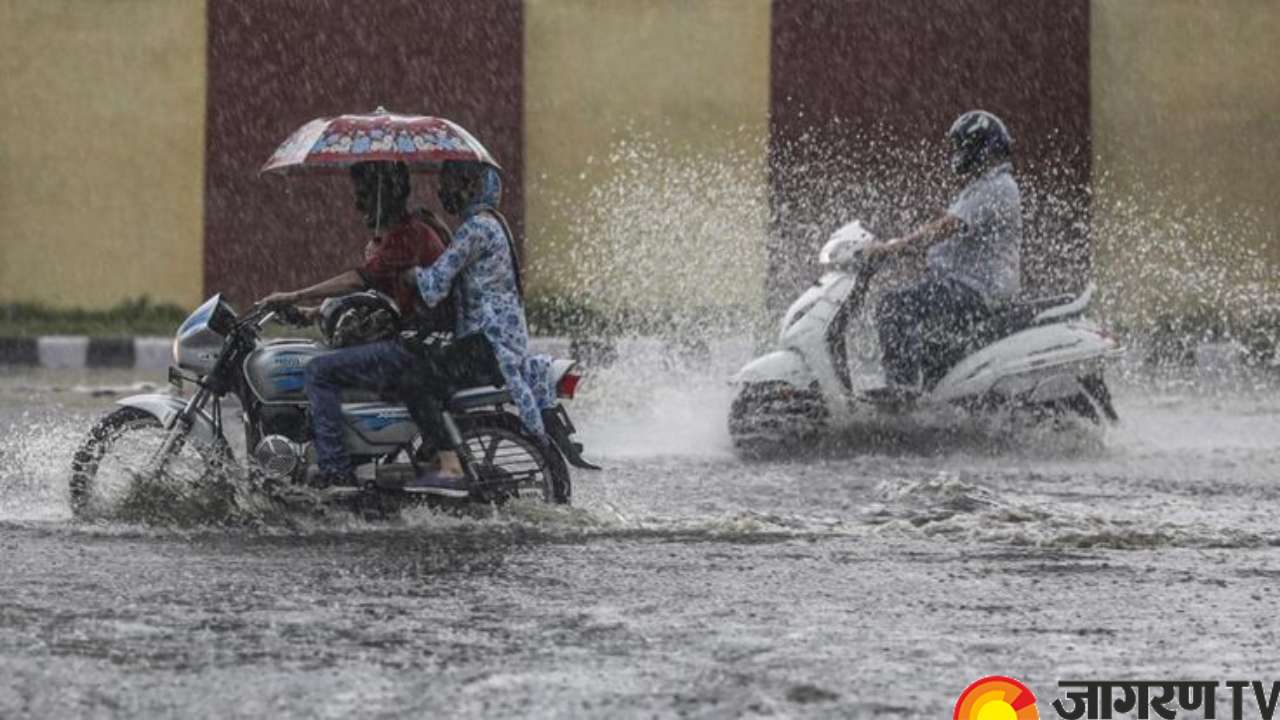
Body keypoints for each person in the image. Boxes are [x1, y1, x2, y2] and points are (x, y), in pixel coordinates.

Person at [258, 160, 450, 492]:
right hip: (416, 341)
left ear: (383, 192)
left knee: (319, 371)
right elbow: (376, 296)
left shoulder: (409, 235)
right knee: (326, 357)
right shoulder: (401, 234)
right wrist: (311, 312)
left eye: (363, 192)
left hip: (417, 346)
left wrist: (294, 294)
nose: (357, 201)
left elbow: (359, 280)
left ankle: (335, 473)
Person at [399, 160, 555, 494]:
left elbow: (436, 282)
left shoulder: (476, 229)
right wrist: (441, 227)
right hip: (499, 342)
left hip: (488, 344)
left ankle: (450, 466)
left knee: (415, 380)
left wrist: (408, 274)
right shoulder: (491, 224)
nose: (444, 192)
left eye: (452, 184)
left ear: (472, 187)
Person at [865, 109, 1023, 395]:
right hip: (969, 286)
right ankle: (931, 402)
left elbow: (946, 228)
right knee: (930, 342)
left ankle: (900, 395)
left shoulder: (995, 187)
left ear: (978, 147)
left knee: (894, 306)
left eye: (962, 145)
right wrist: (906, 245)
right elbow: (953, 235)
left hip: (975, 290)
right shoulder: (984, 187)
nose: (958, 152)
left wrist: (893, 247)